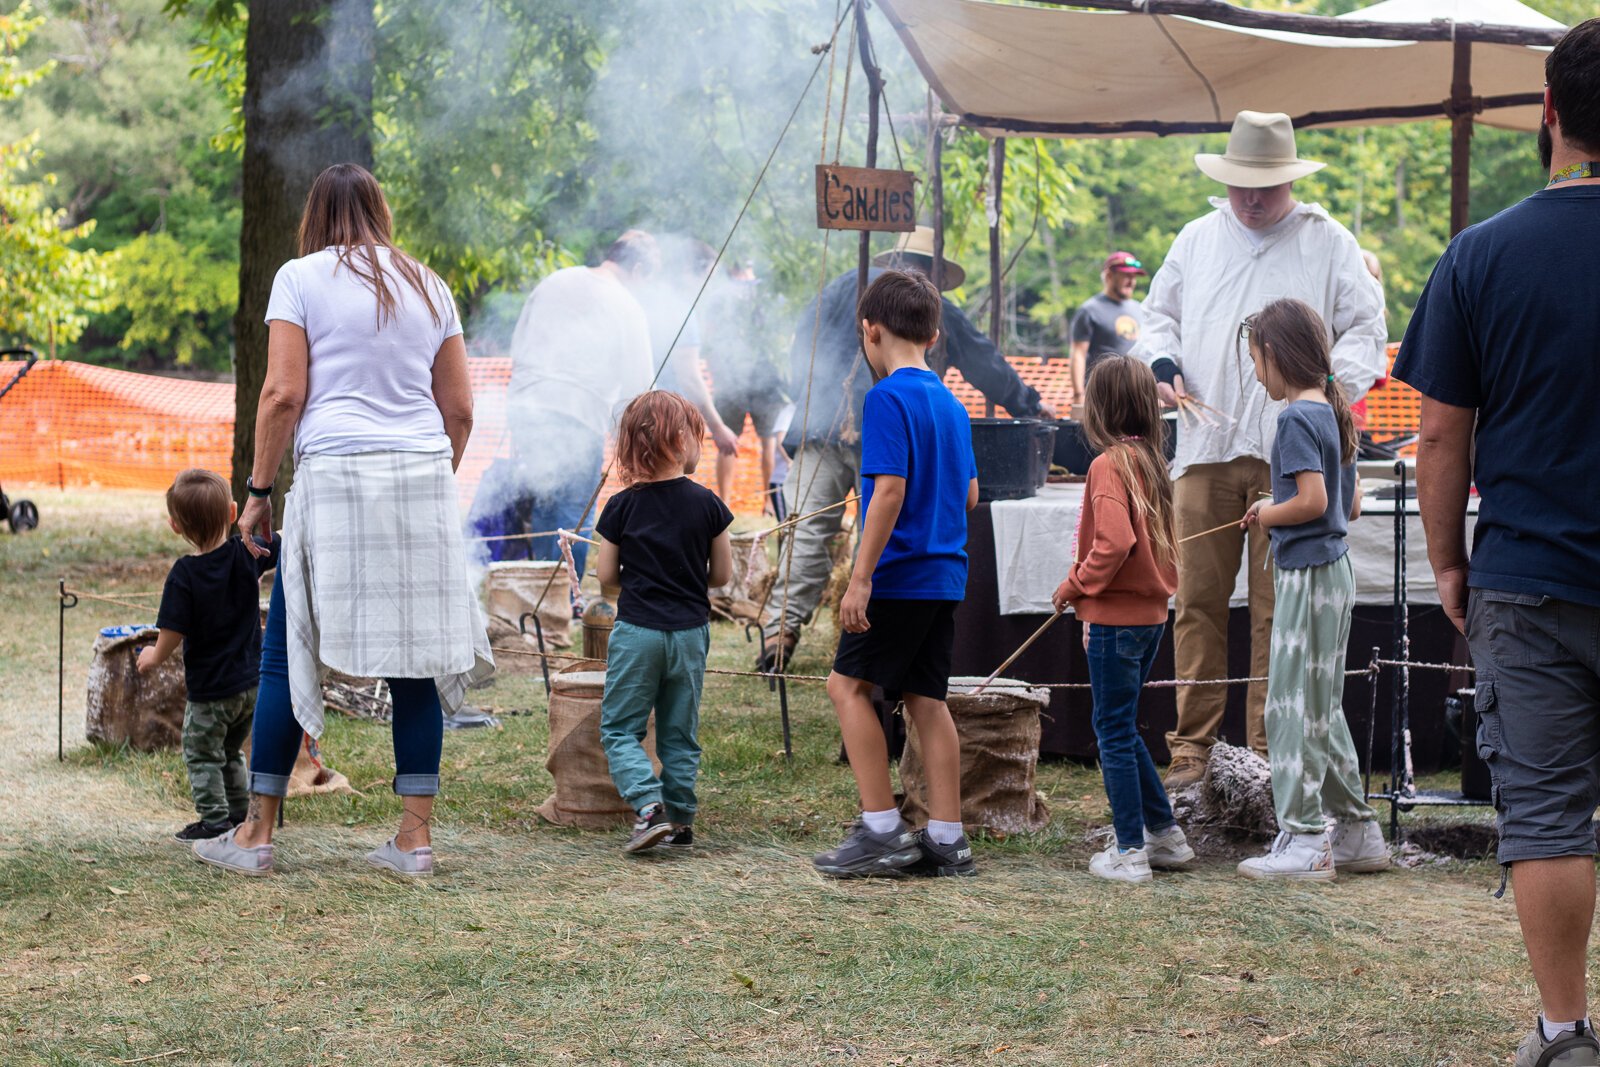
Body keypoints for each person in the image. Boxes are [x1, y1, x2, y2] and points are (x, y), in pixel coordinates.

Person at [1395, 20, 1600, 1065]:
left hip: (1527, 576)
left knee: (1551, 814)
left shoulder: (1481, 254)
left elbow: (1436, 430)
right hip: (1534, 576)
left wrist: (1445, 562)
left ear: (1549, 115)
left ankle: (1563, 1031)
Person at [195, 163, 492, 879]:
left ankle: (256, 835)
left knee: (285, 655)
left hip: (333, 473)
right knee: (414, 658)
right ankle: (414, 843)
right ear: (380, 212)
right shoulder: (430, 284)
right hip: (422, 473)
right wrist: (426, 482)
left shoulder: (300, 278)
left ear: (313, 216)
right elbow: (460, 411)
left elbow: (282, 394)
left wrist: (259, 488)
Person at [1131, 110, 1387, 787]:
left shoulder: (1328, 240)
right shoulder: (1197, 237)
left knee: (1281, 610)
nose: (1251, 198)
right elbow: (1156, 317)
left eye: (1264, 187)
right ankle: (1193, 750)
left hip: (1293, 450)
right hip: (1205, 447)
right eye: (1242, 184)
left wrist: (1327, 387)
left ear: (1288, 181)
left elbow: (1367, 327)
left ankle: (1270, 753)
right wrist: (1161, 365)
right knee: (1197, 602)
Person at [760, 226, 1055, 671]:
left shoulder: (842, 286)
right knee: (877, 525)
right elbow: (983, 362)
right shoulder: (928, 309)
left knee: (806, 531)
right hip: (885, 429)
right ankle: (866, 621)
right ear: (929, 268)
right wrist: (1030, 404)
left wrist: (806, 403)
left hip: (818, 426)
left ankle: (781, 629)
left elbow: (803, 343)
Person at [812, 270, 978, 880]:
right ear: (934, 333)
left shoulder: (884, 398)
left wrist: (860, 579)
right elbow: (969, 494)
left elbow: (887, 493)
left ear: (869, 331)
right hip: (944, 576)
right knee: (926, 700)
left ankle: (881, 828)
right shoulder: (951, 403)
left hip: (899, 576)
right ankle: (947, 837)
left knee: (846, 687)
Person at [1234, 298, 1387, 880]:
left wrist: (1268, 511)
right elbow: (1348, 502)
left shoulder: (1296, 418)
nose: (1255, 373)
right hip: (1335, 573)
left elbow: (1315, 503)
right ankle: (1355, 832)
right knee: (1322, 703)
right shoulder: (1333, 410)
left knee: (1290, 706)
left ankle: (1304, 839)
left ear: (1274, 354)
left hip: (1309, 577)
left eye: (1254, 360)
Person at [1050, 357, 1192, 885]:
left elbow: (1113, 543)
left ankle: (1130, 851)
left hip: (1115, 622)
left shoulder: (1109, 465)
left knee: (1111, 728)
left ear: (1101, 408)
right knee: (1121, 723)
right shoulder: (1150, 460)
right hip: (1150, 618)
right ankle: (1164, 835)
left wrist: (1074, 585)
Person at [595, 391, 734, 854]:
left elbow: (605, 578)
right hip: (691, 634)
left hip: (637, 633)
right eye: (699, 437)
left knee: (620, 729)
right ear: (680, 440)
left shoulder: (620, 506)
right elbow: (723, 575)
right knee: (679, 732)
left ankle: (648, 807)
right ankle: (680, 819)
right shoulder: (709, 504)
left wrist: (629, 589)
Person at [497, 230, 658, 575]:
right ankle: (561, 598)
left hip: (528, 408)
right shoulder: (627, 304)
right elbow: (639, 388)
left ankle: (540, 589)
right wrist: (634, 443)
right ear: (639, 268)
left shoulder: (556, 280)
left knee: (544, 502)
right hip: (578, 415)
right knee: (573, 510)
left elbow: (519, 344)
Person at [138, 468, 280, 842]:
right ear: (233, 512)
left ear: (175, 525)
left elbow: (172, 631)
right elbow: (280, 542)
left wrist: (153, 656)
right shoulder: (245, 552)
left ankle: (215, 819)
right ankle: (237, 812)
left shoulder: (184, 574)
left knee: (202, 753)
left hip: (211, 693)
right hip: (250, 685)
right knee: (231, 751)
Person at [704, 262, 791, 512]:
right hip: (749, 376)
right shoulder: (767, 293)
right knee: (764, 441)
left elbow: (711, 336)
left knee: (734, 441)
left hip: (746, 376)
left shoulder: (725, 294)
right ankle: (763, 502)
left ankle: (734, 502)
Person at [1069, 251, 1146, 413]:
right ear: (1109, 276)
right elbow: (1078, 354)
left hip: (1135, 396)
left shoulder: (1139, 309)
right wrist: (1078, 395)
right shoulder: (1090, 310)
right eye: (1126, 276)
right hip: (1102, 396)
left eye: (1134, 277)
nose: (1132, 282)